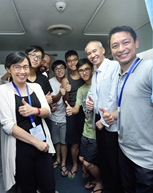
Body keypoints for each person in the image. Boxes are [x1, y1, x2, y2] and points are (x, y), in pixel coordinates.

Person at [101, 26, 153, 193]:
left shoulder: (150, 69)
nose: (121, 49)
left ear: (136, 43)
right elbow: (130, 106)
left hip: (148, 158)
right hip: (125, 150)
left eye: (126, 42)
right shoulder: (119, 74)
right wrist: (114, 115)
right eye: (115, 45)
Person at [0, 52, 56, 193]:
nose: (22, 71)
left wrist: (34, 111)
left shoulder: (36, 87)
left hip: (43, 144)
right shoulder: (3, 90)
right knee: (28, 187)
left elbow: (47, 111)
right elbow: (8, 125)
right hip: (21, 147)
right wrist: (36, 143)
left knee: (49, 186)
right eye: (17, 67)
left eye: (25, 67)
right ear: (8, 69)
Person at [85, 41, 122, 193]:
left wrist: (103, 122)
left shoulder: (114, 66)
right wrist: (89, 102)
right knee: (104, 159)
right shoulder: (96, 73)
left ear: (103, 50)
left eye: (94, 51)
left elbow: (114, 96)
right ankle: (107, 186)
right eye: (88, 53)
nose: (92, 55)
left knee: (114, 162)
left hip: (110, 122)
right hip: (98, 119)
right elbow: (93, 94)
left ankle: (115, 189)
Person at [66, 58, 103, 192]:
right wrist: (71, 110)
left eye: (86, 69)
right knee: (82, 158)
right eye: (81, 70)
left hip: (97, 132)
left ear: (92, 70)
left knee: (88, 162)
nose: (84, 72)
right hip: (85, 131)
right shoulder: (81, 90)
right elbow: (77, 108)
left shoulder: (100, 85)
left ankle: (100, 182)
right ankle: (95, 178)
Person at [61, 50, 85, 179]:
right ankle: (75, 164)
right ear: (67, 63)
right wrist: (66, 91)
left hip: (86, 112)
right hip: (72, 112)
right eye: (69, 61)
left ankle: (86, 165)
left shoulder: (84, 75)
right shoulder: (66, 79)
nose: (72, 63)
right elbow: (65, 99)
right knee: (74, 142)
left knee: (86, 140)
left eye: (74, 60)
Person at [48, 60, 68, 177]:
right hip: (53, 117)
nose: (59, 70)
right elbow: (52, 99)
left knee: (64, 142)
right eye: (56, 69)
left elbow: (68, 100)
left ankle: (64, 163)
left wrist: (65, 90)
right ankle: (58, 159)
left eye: (61, 68)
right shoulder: (50, 82)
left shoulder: (68, 80)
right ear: (53, 71)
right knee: (56, 141)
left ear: (65, 69)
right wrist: (60, 93)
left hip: (65, 117)